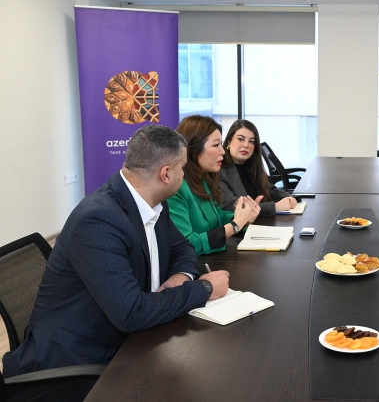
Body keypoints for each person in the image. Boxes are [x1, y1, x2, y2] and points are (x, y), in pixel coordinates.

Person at [2, 125, 230, 376]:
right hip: (77, 360)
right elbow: (131, 313)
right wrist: (204, 288)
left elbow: (182, 247)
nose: (184, 175)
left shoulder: (154, 202)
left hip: (132, 338)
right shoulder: (98, 220)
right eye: (183, 168)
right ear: (166, 174)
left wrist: (181, 277)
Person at [167, 115, 261, 256]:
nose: (223, 151)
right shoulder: (175, 189)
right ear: (194, 150)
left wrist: (244, 219)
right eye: (216, 145)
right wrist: (235, 225)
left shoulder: (202, 180)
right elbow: (186, 244)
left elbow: (217, 218)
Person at [218, 119, 298, 215]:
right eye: (241, 139)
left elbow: (270, 189)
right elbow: (231, 206)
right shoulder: (219, 170)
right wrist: (275, 207)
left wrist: (289, 198)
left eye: (251, 141)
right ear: (228, 142)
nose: (246, 145)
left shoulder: (251, 167)